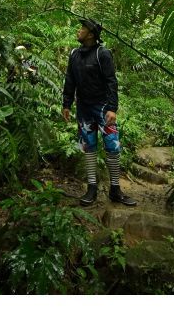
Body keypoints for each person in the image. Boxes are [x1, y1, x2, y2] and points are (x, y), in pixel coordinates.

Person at [62, 18, 136, 206]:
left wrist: (112, 108)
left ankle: (115, 189)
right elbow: (70, 80)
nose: (79, 31)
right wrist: (66, 104)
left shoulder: (102, 54)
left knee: (112, 146)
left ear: (91, 34)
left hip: (103, 108)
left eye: (82, 28)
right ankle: (92, 188)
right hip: (84, 109)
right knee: (88, 147)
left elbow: (112, 81)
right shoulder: (74, 54)